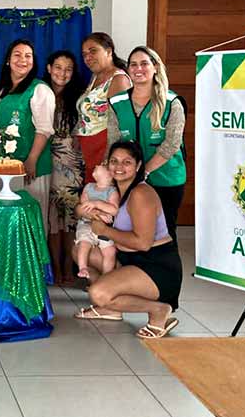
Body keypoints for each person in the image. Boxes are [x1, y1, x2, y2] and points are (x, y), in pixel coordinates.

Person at [73, 141, 183, 339]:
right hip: (129, 259)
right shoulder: (113, 189)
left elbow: (143, 243)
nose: (119, 167)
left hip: (155, 266)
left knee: (98, 293)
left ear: (138, 166)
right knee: (80, 250)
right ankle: (112, 309)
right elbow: (79, 209)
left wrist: (105, 230)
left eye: (127, 162)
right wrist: (89, 213)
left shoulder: (141, 193)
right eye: (114, 161)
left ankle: (158, 310)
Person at [107, 46, 186, 238]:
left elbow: (171, 145)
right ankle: (136, 268)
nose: (138, 69)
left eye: (144, 63)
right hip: (127, 178)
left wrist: (144, 171)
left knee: (164, 232)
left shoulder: (172, 102)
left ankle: (166, 268)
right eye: (133, 64)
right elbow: (113, 143)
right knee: (130, 229)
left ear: (156, 67)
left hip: (166, 178)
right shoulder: (117, 102)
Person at [0, 39, 56, 231]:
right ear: (8, 60)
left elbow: (44, 129)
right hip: (3, 167)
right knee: (5, 221)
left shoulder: (40, 89)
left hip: (31, 168)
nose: (22, 60)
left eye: (28, 56)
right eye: (17, 55)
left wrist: (31, 160)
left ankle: (34, 261)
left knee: (31, 220)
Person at [42, 50, 86, 285]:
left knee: (70, 218)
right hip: (46, 162)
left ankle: (70, 265)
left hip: (72, 165)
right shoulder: (39, 92)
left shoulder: (79, 98)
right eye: (58, 67)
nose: (62, 73)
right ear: (49, 68)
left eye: (68, 69)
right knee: (51, 219)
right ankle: (55, 267)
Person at [75, 32, 130, 183]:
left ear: (109, 51)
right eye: (84, 54)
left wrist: (108, 159)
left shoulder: (119, 79)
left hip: (105, 148)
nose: (88, 57)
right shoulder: (95, 78)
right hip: (89, 148)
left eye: (93, 51)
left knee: (104, 198)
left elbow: (119, 125)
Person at [74, 165, 120, 279]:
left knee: (109, 251)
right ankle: (83, 267)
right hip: (86, 224)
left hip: (104, 227)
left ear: (109, 175)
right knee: (84, 243)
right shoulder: (89, 187)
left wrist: (97, 203)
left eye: (103, 166)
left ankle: (106, 277)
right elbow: (83, 205)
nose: (97, 165)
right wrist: (97, 213)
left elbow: (114, 210)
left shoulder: (112, 191)